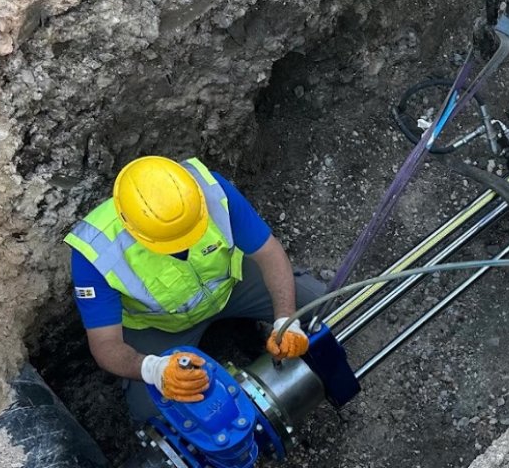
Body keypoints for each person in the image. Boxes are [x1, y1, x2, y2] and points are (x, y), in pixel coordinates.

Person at [63, 155, 324, 421]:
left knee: (319, 304)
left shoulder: (210, 190)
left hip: (232, 286)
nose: (184, 245)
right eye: (172, 242)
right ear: (132, 228)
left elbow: (269, 253)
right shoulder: (96, 252)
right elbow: (105, 344)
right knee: (153, 414)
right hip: (162, 326)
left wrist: (285, 318)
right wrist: (154, 369)